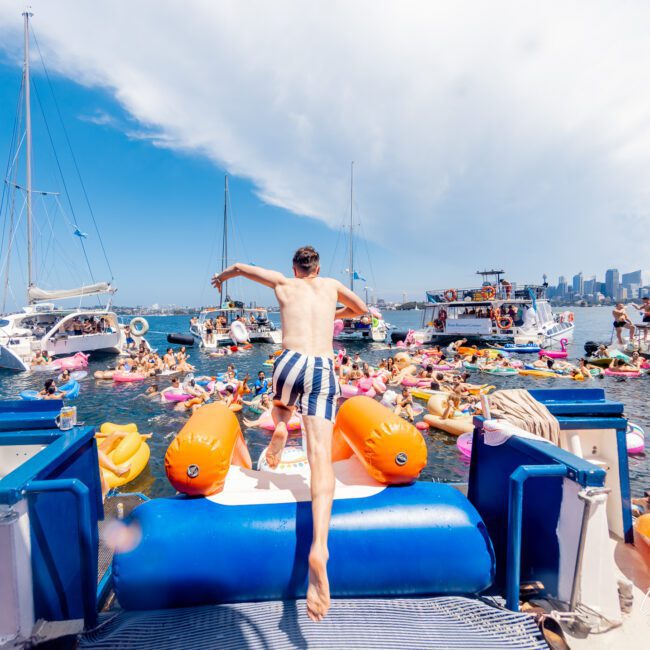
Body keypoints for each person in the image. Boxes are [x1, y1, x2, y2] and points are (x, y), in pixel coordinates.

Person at [211, 245, 367, 622]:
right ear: (317, 267)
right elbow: (360, 309)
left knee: (281, 402)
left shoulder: (283, 283)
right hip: (322, 368)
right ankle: (319, 549)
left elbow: (243, 267)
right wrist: (336, 313)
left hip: (290, 362)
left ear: (295, 268)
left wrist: (223, 277)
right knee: (320, 464)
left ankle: (280, 422)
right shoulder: (330, 285)